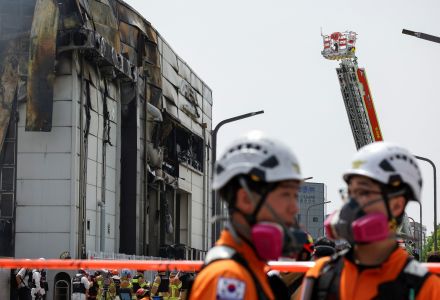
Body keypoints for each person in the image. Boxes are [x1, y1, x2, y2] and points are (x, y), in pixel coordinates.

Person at [300, 141, 440, 299]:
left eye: (364, 192)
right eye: (350, 192)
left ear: (397, 205)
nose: (352, 203)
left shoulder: (425, 288)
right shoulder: (321, 274)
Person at [189, 130, 306, 300]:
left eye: (295, 196)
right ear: (245, 199)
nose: (295, 208)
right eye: (286, 195)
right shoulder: (229, 278)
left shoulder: (253, 270)